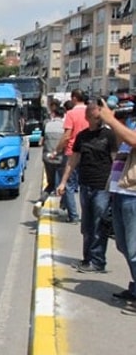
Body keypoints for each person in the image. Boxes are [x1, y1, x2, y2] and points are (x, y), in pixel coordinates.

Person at [57, 102, 117, 273]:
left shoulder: (109, 135)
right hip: (85, 185)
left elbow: (115, 160)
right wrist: (63, 182)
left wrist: (115, 185)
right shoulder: (82, 136)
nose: (96, 119)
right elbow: (73, 160)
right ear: (88, 117)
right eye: (93, 116)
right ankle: (88, 259)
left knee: (99, 224)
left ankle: (98, 261)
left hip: (102, 186)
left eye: (98, 115)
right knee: (87, 225)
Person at [99, 97, 136, 313]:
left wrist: (111, 120)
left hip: (133, 193)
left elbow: (133, 141)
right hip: (121, 191)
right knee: (123, 245)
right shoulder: (130, 122)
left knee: (134, 249)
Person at [53, 89, 89, 224]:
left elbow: (67, 135)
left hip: (71, 152)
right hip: (88, 152)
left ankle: (73, 216)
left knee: (68, 183)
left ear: (74, 98)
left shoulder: (71, 113)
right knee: (85, 185)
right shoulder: (90, 111)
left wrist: (57, 150)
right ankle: (86, 216)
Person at [33, 101, 65, 218]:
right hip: (61, 158)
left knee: (51, 184)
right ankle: (64, 206)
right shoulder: (65, 126)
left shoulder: (47, 125)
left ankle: (40, 201)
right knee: (64, 183)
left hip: (47, 158)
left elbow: (41, 141)